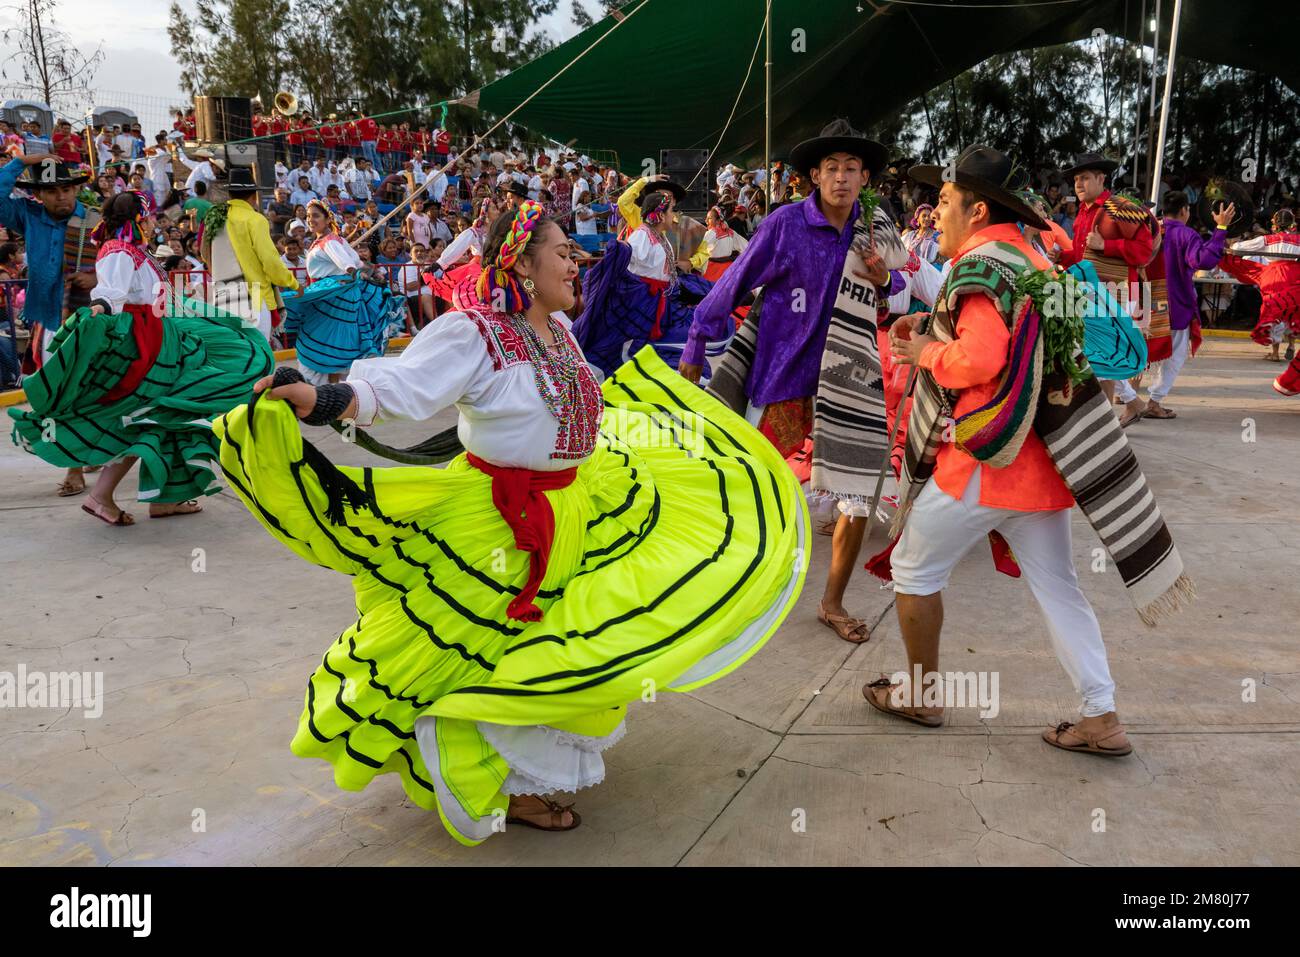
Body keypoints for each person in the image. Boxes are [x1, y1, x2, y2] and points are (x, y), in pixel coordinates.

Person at [210, 201, 808, 845]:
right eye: (562, 254)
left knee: (574, 647)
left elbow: (580, 415)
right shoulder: (475, 333)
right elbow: (401, 389)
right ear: (522, 263)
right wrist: (321, 398)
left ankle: (513, 767)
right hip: (497, 524)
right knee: (483, 658)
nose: (577, 266)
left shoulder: (561, 332)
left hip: (578, 508)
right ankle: (479, 772)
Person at [871, 144, 1191, 755]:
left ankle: (919, 692)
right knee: (1059, 588)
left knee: (913, 567)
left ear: (976, 208)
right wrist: (933, 328)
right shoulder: (1035, 258)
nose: (934, 212)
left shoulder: (978, 266)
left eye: (942, 201)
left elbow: (982, 358)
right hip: (1047, 468)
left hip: (986, 465)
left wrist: (924, 353)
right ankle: (1102, 716)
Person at [678, 119, 906, 644]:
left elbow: (895, 297)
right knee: (741, 479)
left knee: (856, 497)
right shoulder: (784, 224)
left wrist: (884, 278)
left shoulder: (875, 230)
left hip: (849, 380)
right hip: (782, 375)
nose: (842, 178)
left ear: (865, 177)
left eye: (852, 169)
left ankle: (832, 603)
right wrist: (697, 339)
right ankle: (716, 582)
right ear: (814, 176)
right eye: (832, 168)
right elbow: (735, 282)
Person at [8, 189, 274, 525]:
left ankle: (156, 498)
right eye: (146, 217)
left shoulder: (135, 251)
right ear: (137, 217)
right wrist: (101, 306)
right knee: (157, 413)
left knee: (164, 416)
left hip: (161, 336)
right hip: (148, 345)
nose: (150, 223)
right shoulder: (120, 251)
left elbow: (150, 295)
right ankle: (105, 496)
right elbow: (111, 293)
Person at [0, 153, 100, 496]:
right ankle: (81, 453)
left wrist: (96, 276)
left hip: (89, 321)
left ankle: (76, 466)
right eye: (53, 191)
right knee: (58, 393)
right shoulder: (27, 216)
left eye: (67, 189)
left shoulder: (96, 222)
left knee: (82, 390)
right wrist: (23, 160)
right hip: (48, 319)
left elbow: (123, 265)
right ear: (38, 196)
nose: (62, 196)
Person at [571, 177, 715, 378]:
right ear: (660, 214)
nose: (673, 212)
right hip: (644, 302)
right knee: (631, 344)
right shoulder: (642, 235)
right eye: (670, 209)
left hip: (661, 299)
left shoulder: (661, 234)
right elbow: (629, 268)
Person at [1057, 152, 1155, 426]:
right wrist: (1063, 258)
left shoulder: (1120, 208)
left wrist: (1106, 246)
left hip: (1118, 293)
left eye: (1085, 178)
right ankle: (1129, 407)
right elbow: (1083, 255)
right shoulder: (1083, 211)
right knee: (1099, 358)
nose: (1078, 184)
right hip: (1092, 294)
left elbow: (1144, 252)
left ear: (1101, 179)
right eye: (1076, 179)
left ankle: (1103, 424)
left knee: (1104, 360)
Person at [1124, 191, 1234, 419]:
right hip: (1175, 304)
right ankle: (1153, 402)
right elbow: (1201, 260)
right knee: (1175, 356)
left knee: (1138, 350)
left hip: (1143, 300)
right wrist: (1221, 229)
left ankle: (1128, 398)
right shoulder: (1186, 234)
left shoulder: (1148, 229)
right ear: (1184, 210)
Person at [281, 199, 401, 385]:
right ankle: (334, 390)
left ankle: (325, 392)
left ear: (328, 219)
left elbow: (347, 264)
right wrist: (372, 271)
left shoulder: (329, 242)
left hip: (332, 297)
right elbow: (358, 262)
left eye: (316, 216)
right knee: (337, 342)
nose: (311, 220)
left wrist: (357, 273)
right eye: (309, 216)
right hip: (336, 296)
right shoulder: (335, 240)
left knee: (324, 340)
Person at [202, 167, 301, 339]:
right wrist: (293, 283)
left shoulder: (214, 216)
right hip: (252, 295)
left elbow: (205, 253)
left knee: (235, 352)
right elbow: (270, 260)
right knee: (258, 351)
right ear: (253, 196)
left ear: (230, 194)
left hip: (223, 293)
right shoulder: (254, 219)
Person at [1219, 208, 1300, 377]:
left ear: (1275, 224)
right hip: (1295, 276)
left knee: (1274, 311)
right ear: (1292, 224)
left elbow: (1238, 247)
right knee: (1293, 310)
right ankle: (1292, 345)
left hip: (1274, 277)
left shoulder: (1268, 239)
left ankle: (1276, 352)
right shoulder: (1298, 240)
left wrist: (1232, 245)